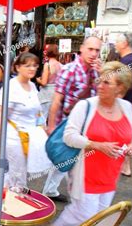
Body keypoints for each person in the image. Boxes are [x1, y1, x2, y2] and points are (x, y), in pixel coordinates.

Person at [47, 61, 132, 226]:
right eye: (100, 80)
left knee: (99, 217)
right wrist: (96, 145)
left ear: (120, 88)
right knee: (85, 215)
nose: (100, 85)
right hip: (85, 173)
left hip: (110, 175)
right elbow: (69, 136)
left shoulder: (126, 108)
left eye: (107, 83)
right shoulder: (85, 106)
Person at [43, 36, 102, 201]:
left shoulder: (97, 72)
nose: (93, 53)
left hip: (87, 128)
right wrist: (52, 126)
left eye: (97, 50)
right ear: (82, 48)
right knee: (62, 159)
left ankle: (51, 191)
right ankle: (73, 200)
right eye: (90, 49)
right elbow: (56, 101)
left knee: (68, 162)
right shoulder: (69, 69)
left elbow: (101, 99)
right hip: (67, 125)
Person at [0, 52, 52, 186]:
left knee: (18, 173)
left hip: (30, 137)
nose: (32, 69)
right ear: (17, 68)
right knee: (18, 174)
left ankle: (3, 195)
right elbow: (1, 115)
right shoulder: (11, 87)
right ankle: (11, 199)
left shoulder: (33, 86)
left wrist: (44, 128)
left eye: (34, 65)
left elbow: (37, 112)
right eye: (27, 65)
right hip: (13, 138)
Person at [115, 32, 132, 177]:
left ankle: (124, 166)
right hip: (129, 103)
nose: (115, 44)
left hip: (124, 104)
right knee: (126, 135)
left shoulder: (126, 62)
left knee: (124, 136)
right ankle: (125, 166)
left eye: (118, 41)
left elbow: (121, 87)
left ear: (125, 43)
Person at [36, 44, 62, 122]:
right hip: (56, 94)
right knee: (53, 120)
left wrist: (38, 80)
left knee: (41, 119)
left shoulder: (47, 65)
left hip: (46, 95)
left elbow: (44, 82)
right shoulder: (61, 66)